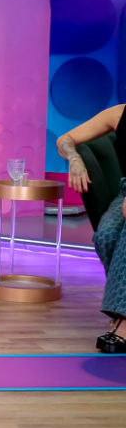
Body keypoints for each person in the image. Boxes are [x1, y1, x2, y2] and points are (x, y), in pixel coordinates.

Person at [55, 103, 126, 352]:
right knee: (106, 237)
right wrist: (75, 160)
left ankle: (123, 322)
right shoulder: (118, 113)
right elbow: (66, 139)